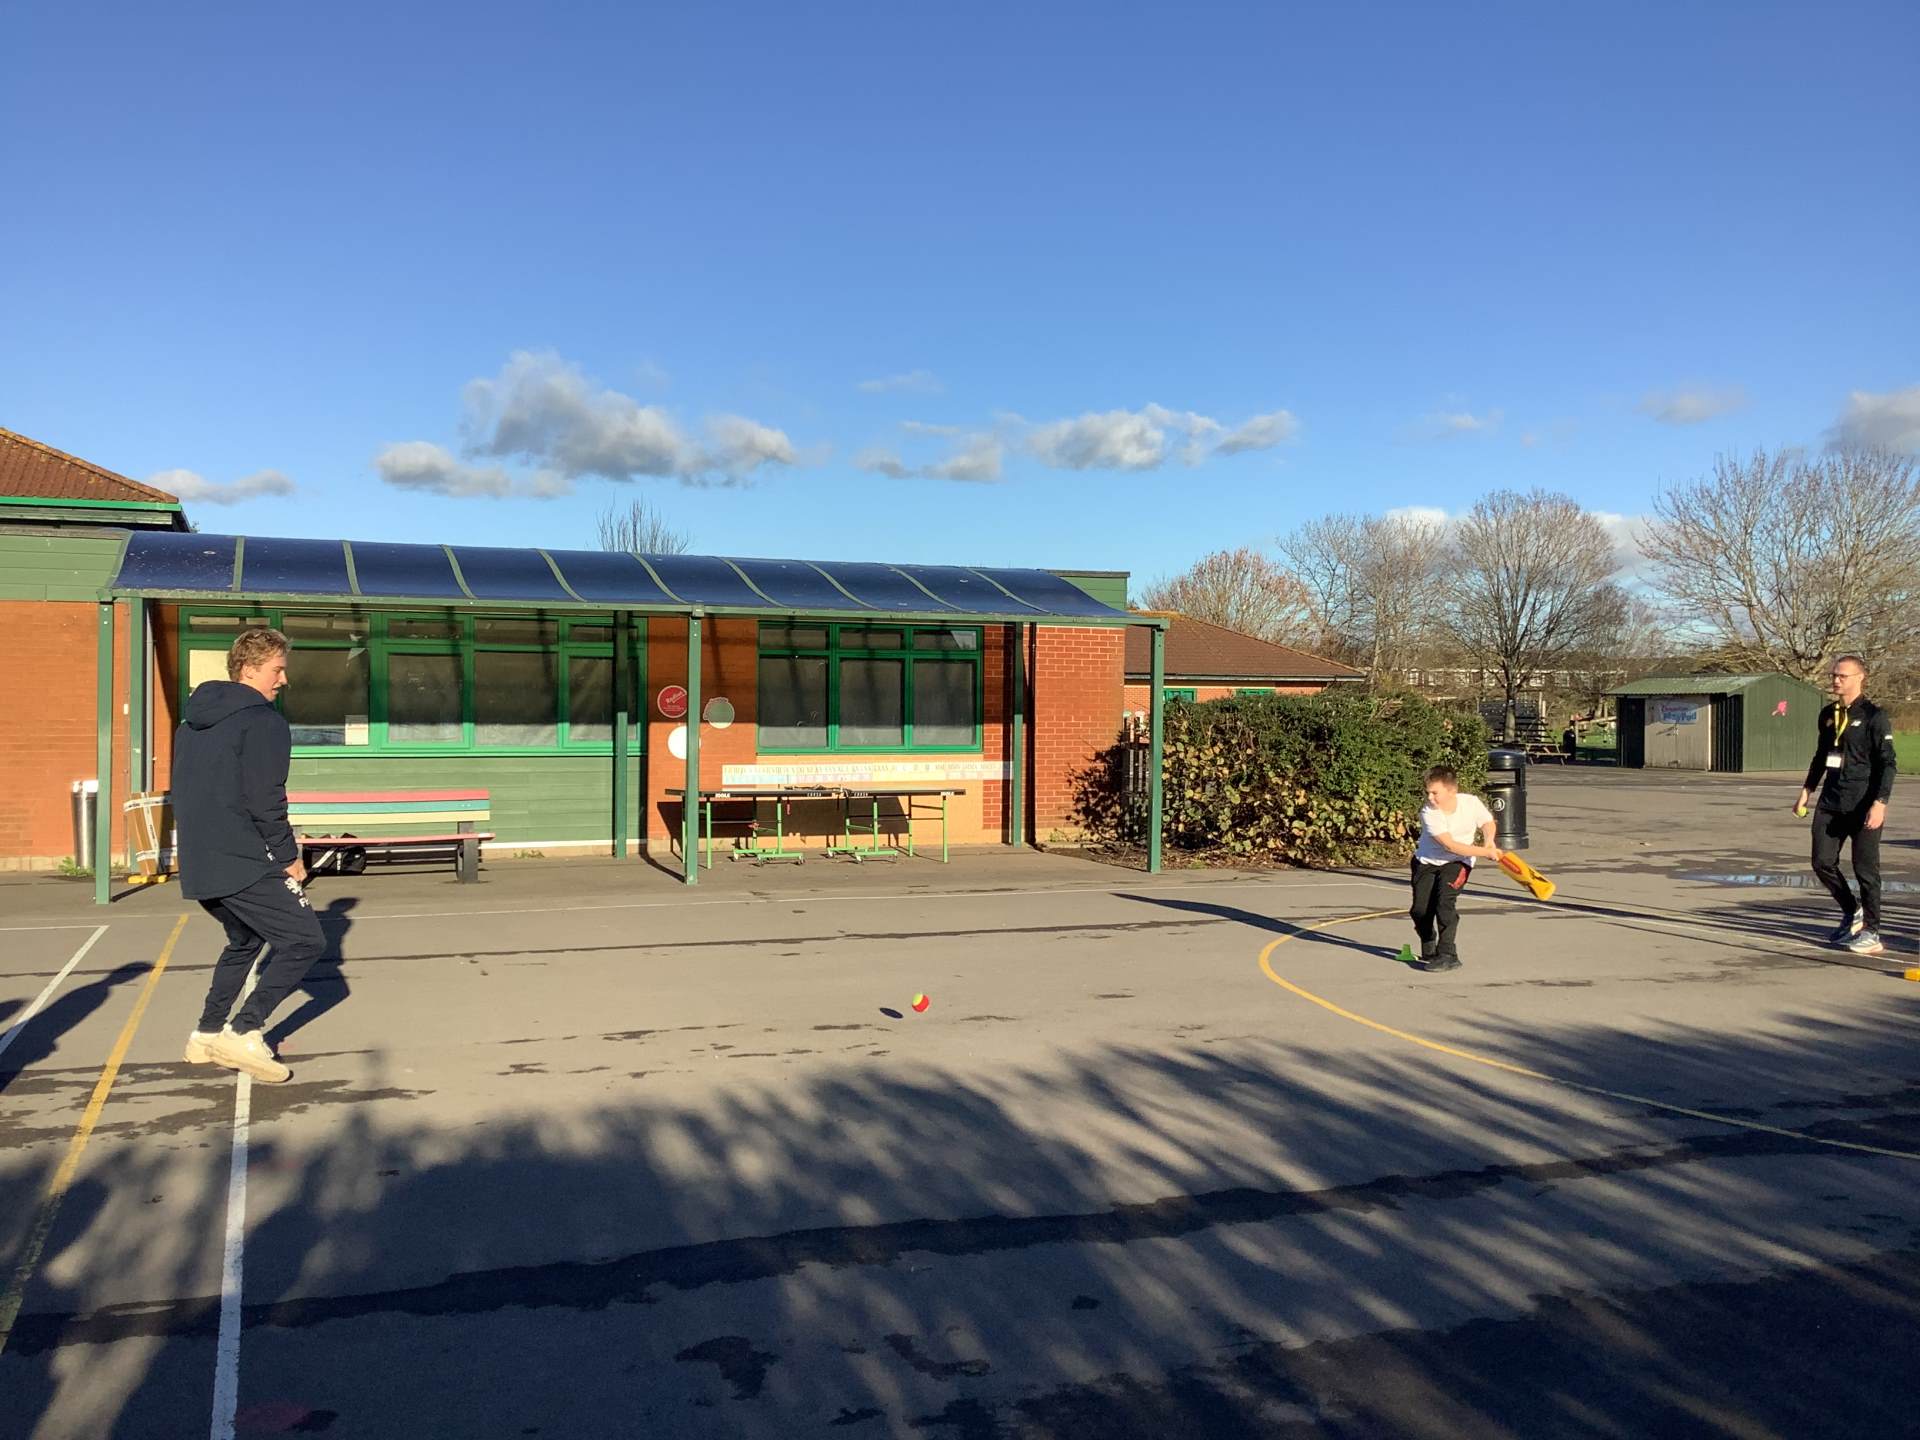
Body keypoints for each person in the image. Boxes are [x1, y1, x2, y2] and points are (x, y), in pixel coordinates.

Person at [172, 627, 325, 1083]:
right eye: (278, 670)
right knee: (306, 941)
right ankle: (243, 1031)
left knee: (245, 941)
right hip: (242, 858)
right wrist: (289, 856)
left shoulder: (190, 724)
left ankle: (206, 1035)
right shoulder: (263, 721)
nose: (284, 680)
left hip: (199, 860)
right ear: (250, 668)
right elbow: (265, 798)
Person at [1797, 654, 1896, 957]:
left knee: (1865, 870)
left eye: (1843, 676)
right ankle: (1852, 910)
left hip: (1863, 803)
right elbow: (1821, 756)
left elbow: (1888, 763)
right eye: (1834, 675)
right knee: (1821, 862)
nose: (1836, 680)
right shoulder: (1828, 714)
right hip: (1831, 801)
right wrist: (1807, 790)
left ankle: (1872, 931)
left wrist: (1880, 803)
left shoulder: (1874, 716)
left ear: (1860, 678)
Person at [1410, 765, 1502, 972]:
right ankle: (1428, 941)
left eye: (1435, 793)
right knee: (1420, 910)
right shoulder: (1429, 812)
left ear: (1452, 790)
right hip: (1426, 862)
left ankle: (1448, 954)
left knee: (1445, 903)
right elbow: (1450, 845)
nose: (1430, 797)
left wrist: (1489, 841)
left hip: (1459, 862)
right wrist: (1485, 852)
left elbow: (1487, 822)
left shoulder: (1470, 802)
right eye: (1428, 792)